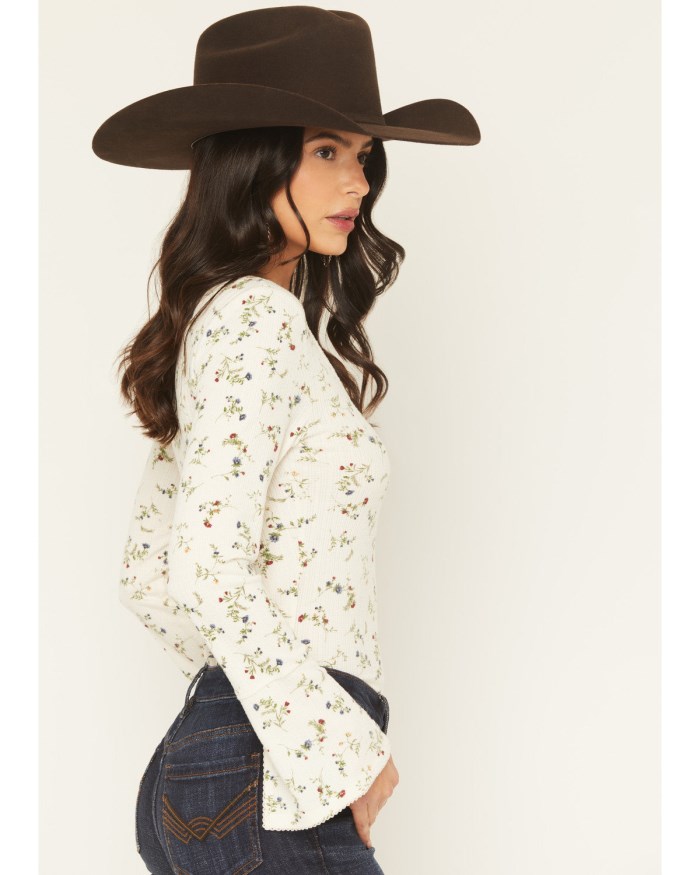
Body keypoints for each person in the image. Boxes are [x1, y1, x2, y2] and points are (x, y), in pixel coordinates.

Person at [92, 7, 480, 873]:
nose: (358, 183)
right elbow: (204, 570)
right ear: (253, 158)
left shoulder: (221, 321)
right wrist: (336, 740)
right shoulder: (256, 319)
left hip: (229, 766)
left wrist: (238, 706)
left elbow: (148, 574)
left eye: (364, 155)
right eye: (326, 150)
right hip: (273, 771)